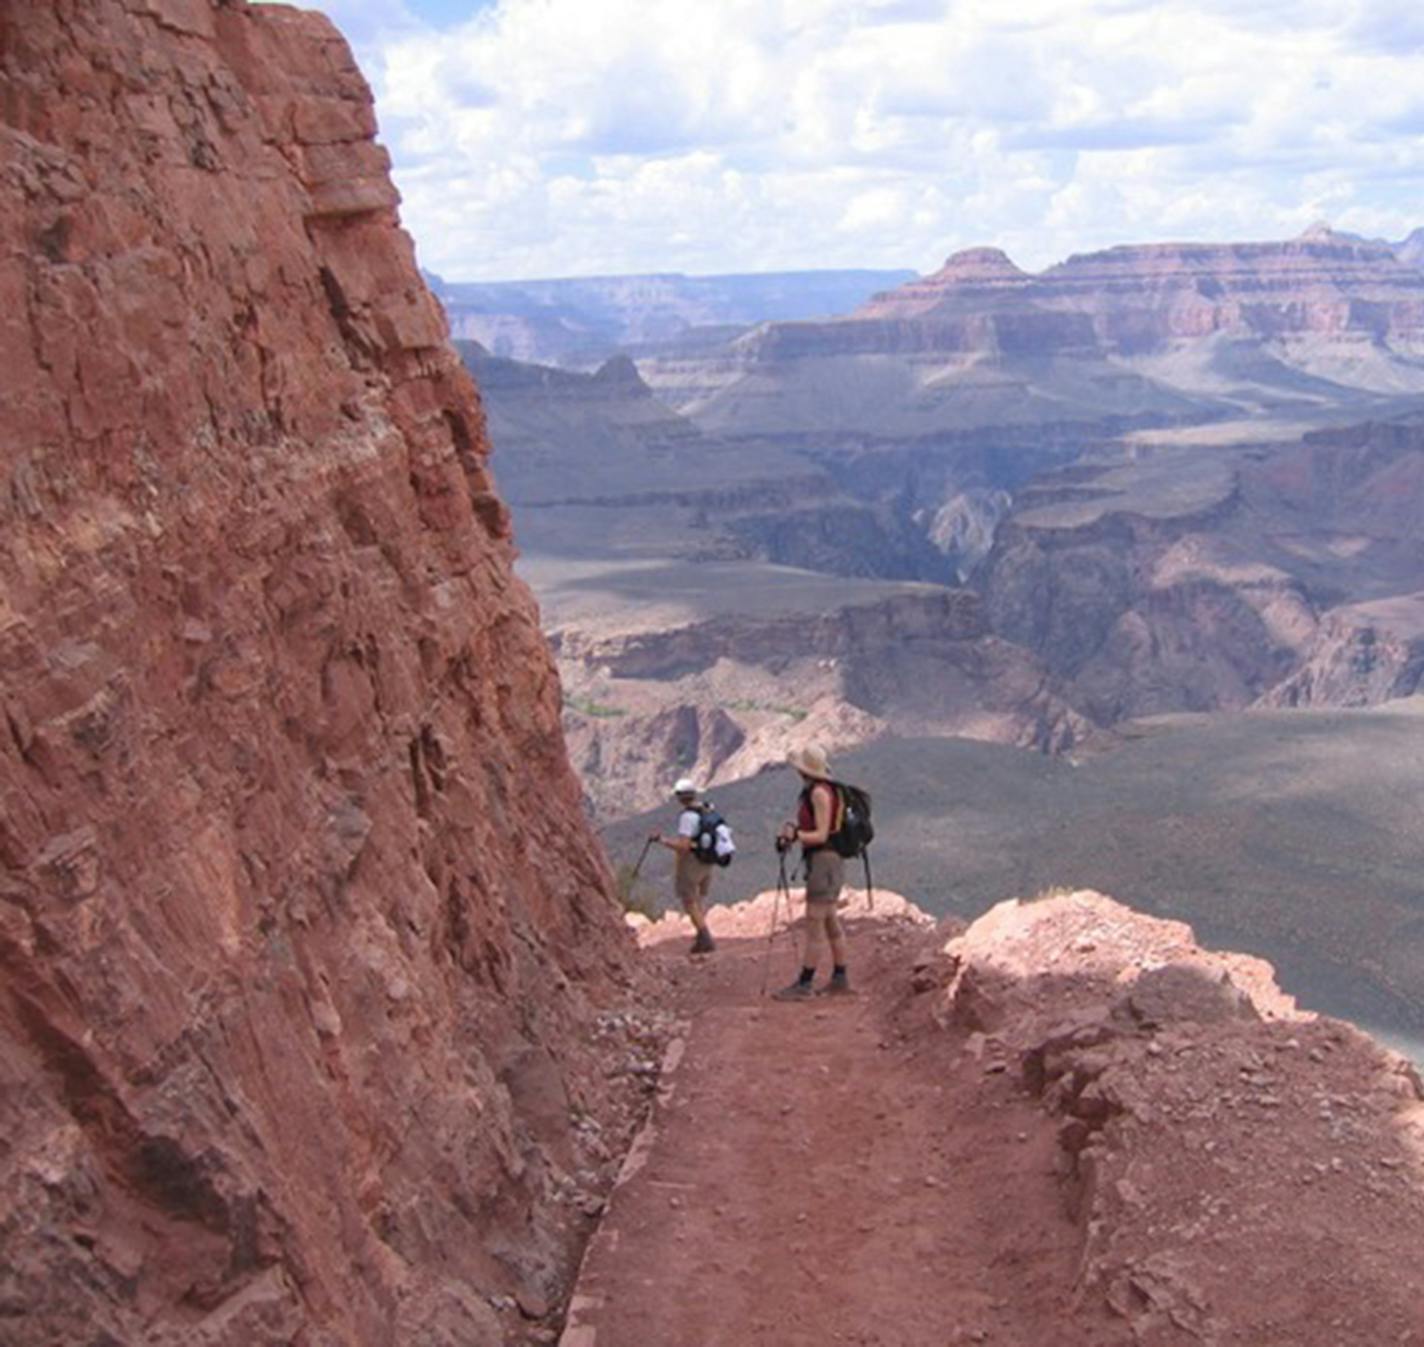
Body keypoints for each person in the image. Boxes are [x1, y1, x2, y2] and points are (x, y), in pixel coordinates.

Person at [773, 745, 852, 999]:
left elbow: (820, 834)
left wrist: (795, 835)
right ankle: (840, 977)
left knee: (815, 923)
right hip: (831, 862)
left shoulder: (818, 793)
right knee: (830, 921)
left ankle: (805, 984)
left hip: (824, 862)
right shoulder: (826, 790)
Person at [650, 776, 717, 955]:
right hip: (707, 860)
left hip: (692, 862)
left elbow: (683, 846)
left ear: (679, 797)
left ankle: (704, 937)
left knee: (688, 900)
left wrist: (661, 840)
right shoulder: (706, 809)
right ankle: (701, 931)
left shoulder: (687, 817)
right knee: (700, 897)